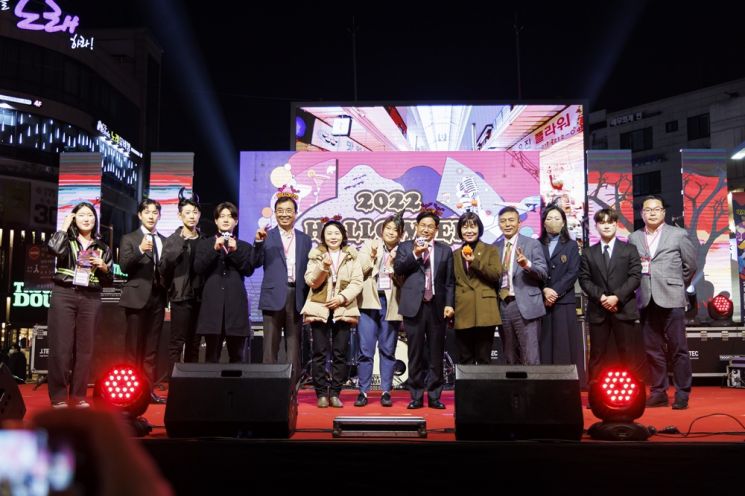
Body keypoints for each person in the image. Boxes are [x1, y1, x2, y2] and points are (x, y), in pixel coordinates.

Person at [628, 195, 697, 410]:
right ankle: (658, 392)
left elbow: (691, 265)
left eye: (656, 209)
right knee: (652, 350)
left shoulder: (678, 234)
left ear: (663, 213)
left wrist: (676, 284)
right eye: (648, 210)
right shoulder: (634, 238)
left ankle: (682, 393)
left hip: (672, 297)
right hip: (646, 298)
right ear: (642, 214)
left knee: (678, 349)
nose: (652, 213)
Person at [47, 201, 113, 408]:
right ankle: (58, 397)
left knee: (85, 349)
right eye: (82, 215)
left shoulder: (102, 247)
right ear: (74, 218)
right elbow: (53, 249)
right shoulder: (66, 239)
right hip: (64, 294)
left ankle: (78, 396)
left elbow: (108, 282)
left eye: (91, 215)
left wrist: (103, 267)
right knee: (61, 347)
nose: (87, 219)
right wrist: (64, 227)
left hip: (90, 298)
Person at [393, 207, 454, 409]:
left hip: (437, 307)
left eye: (430, 226)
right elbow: (399, 269)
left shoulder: (445, 250)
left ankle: (435, 396)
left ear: (436, 229)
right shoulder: (405, 247)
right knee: (415, 354)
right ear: (416, 227)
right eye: (423, 225)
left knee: (436, 354)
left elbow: (449, 282)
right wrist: (416, 254)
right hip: (414, 307)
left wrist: (449, 304)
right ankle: (416, 396)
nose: (426, 229)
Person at [301, 218, 363, 408]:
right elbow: (311, 281)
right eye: (329, 233)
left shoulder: (352, 255)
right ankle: (320, 393)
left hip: (342, 308)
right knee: (319, 353)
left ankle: (335, 392)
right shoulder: (316, 255)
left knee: (340, 353)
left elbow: (357, 282)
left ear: (343, 235)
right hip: (320, 309)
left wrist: (342, 298)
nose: (333, 237)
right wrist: (324, 267)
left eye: (336, 233)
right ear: (323, 237)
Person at [254, 191, 312, 385]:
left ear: (296, 213)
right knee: (270, 346)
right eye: (280, 211)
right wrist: (258, 243)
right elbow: (254, 262)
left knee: (294, 346)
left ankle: (291, 389)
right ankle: (268, 386)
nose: (284, 214)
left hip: (296, 294)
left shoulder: (305, 239)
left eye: (289, 211)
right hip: (273, 295)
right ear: (275, 214)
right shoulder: (266, 236)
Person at [579, 208, 642, 381]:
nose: (606, 226)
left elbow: (635, 277)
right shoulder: (588, 253)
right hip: (598, 311)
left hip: (624, 309)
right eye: (602, 222)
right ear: (596, 226)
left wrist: (616, 297)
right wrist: (602, 297)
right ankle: (594, 395)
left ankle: (632, 396)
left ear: (616, 224)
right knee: (597, 354)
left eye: (610, 222)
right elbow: (584, 280)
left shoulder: (630, 250)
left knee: (628, 354)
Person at [119, 199, 168, 403]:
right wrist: (140, 250)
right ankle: (131, 393)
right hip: (136, 298)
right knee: (133, 349)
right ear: (139, 215)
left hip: (157, 298)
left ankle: (147, 391)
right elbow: (123, 266)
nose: (151, 215)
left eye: (155, 212)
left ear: (159, 216)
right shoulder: (130, 238)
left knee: (151, 348)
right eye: (147, 212)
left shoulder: (164, 240)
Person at [194, 202, 256, 363]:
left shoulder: (244, 246)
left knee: (237, 356)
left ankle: (235, 388)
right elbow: (198, 268)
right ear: (216, 221)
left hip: (235, 306)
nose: (226, 220)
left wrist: (234, 253)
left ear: (236, 221)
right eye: (222, 216)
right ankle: (210, 388)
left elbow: (248, 270)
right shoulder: (205, 244)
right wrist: (214, 250)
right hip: (212, 306)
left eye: (230, 216)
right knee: (211, 356)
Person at [354, 213, 404, 407]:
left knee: (388, 349)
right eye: (388, 228)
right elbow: (359, 269)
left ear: (400, 235)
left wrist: (392, 267)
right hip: (368, 303)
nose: (390, 232)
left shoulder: (403, 250)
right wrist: (374, 258)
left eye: (395, 230)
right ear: (382, 230)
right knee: (365, 350)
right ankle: (363, 392)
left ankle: (386, 391)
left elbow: (404, 280)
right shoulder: (369, 245)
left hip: (390, 303)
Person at [538, 205, 586, 387]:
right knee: (544, 343)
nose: (553, 222)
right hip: (542, 301)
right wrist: (544, 290)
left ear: (564, 222)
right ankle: (545, 383)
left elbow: (573, 272)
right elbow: (533, 270)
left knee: (563, 344)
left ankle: (566, 383)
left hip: (563, 301)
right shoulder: (536, 243)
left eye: (558, 218)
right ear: (543, 222)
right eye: (549, 218)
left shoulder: (572, 245)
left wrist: (555, 292)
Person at [495, 206, 548, 365]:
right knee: (509, 355)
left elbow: (543, 273)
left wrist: (526, 264)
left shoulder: (532, 244)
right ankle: (514, 390)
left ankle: (533, 390)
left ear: (519, 223)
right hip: (503, 305)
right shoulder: (495, 247)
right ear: (499, 224)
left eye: (511, 220)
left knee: (530, 356)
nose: (507, 224)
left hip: (525, 305)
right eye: (503, 221)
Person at [160, 197, 205, 374]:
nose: (192, 216)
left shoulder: (204, 240)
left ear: (200, 215)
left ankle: (190, 382)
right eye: (187, 213)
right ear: (180, 215)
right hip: (180, 297)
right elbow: (164, 268)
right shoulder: (172, 240)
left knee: (194, 343)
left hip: (200, 298)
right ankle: (174, 383)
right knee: (177, 343)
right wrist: (180, 244)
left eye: (195, 212)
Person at [453, 211, 502, 364]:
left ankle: (485, 388)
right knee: (465, 357)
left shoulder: (490, 250)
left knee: (483, 357)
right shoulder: (454, 254)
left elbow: (495, 274)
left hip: (485, 309)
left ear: (479, 229)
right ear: (460, 230)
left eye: (473, 227)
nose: (469, 231)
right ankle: (467, 388)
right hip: (462, 309)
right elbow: (451, 282)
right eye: (465, 227)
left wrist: (475, 261)